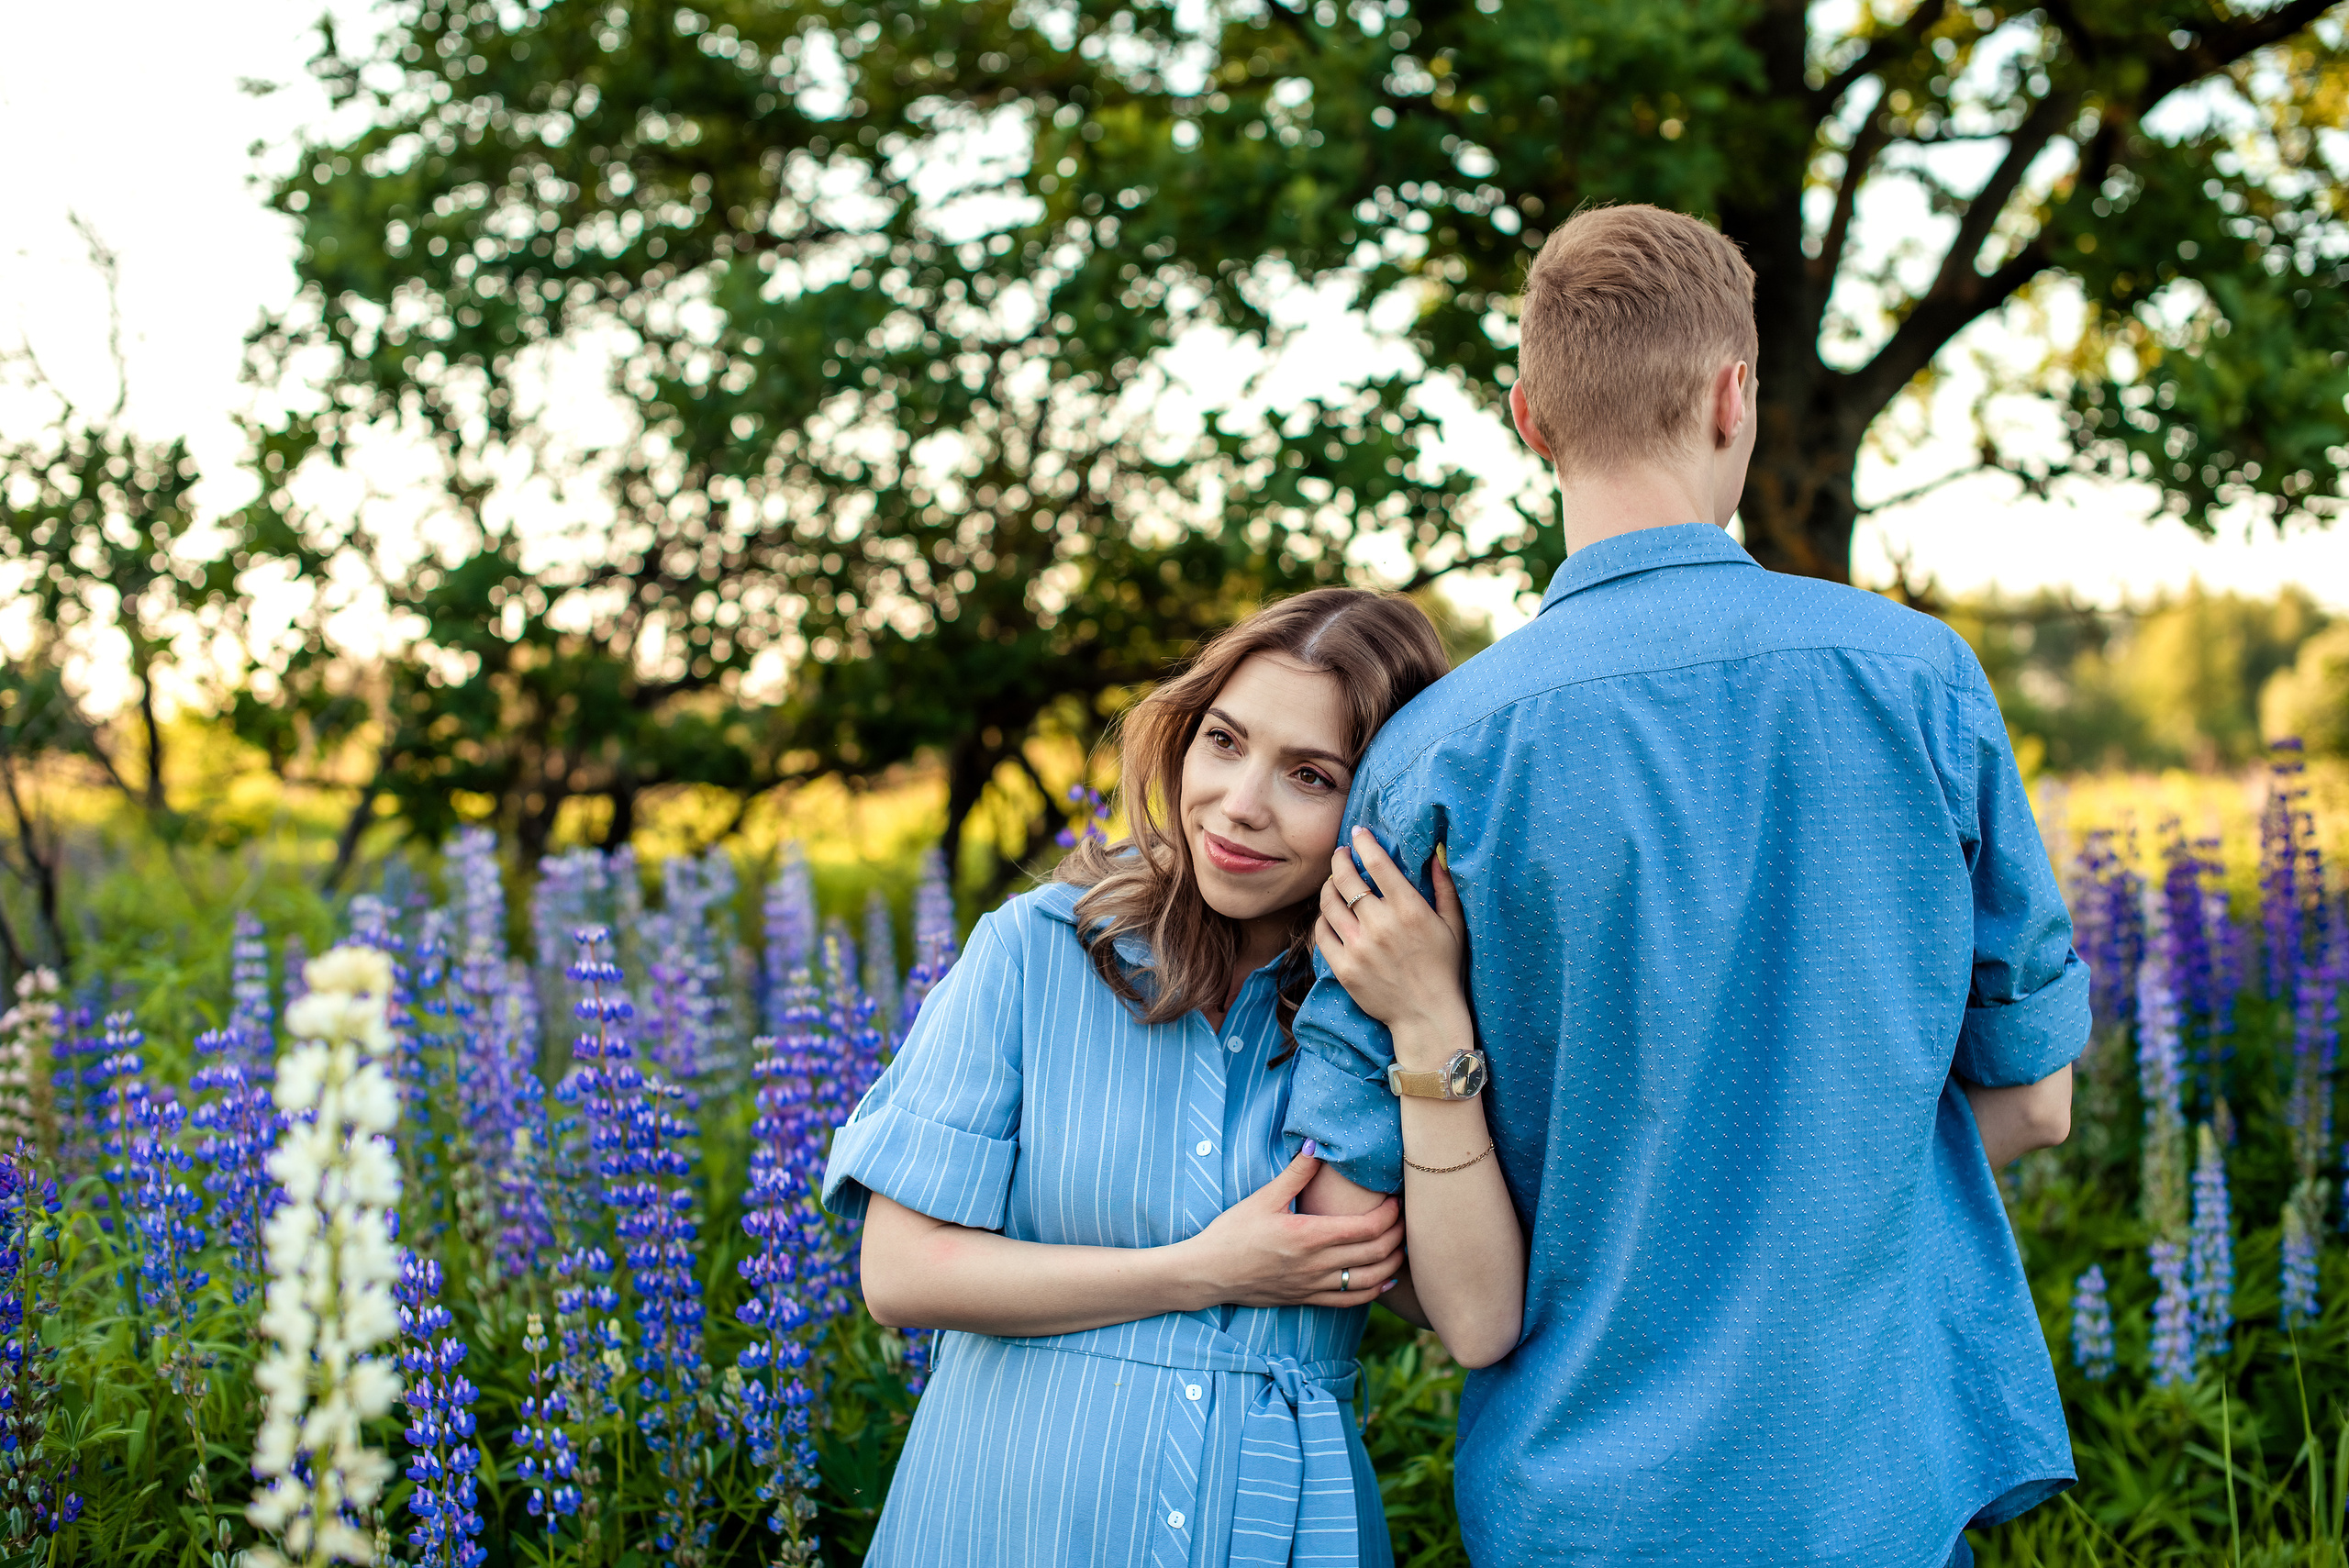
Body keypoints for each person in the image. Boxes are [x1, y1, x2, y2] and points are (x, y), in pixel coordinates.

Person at [1287, 205, 2086, 1568]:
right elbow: (2036, 1102)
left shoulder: (1432, 761)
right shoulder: (1918, 682)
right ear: (1735, 396)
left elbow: (1356, 1215)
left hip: (1577, 1516)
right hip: (1868, 1496)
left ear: (1529, 421)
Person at [822, 587, 1527, 1566]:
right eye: (1224, 741)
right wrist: (1202, 1269)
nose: (1239, 804)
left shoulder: (1403, 1017)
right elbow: (901, 1272)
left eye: (1310, 775)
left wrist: (1424, 1019)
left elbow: (1474, 1319)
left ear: (1384, 805)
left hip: (1279, 1529)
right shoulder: (1037, 950)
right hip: (1010, 1519)